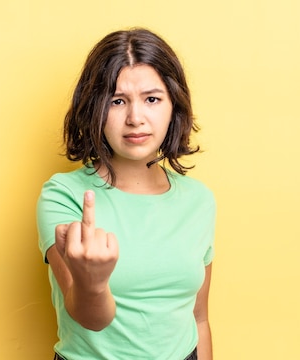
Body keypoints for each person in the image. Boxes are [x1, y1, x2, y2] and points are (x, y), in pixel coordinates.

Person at [36, 28, 216, 360]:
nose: (136, 118)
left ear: (173, 105)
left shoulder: (199, 200)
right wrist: (93, 282)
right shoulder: (63, 195)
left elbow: (199, 317)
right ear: (95, 110)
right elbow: (91, 319)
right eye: (118, 101)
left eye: (152, 99)